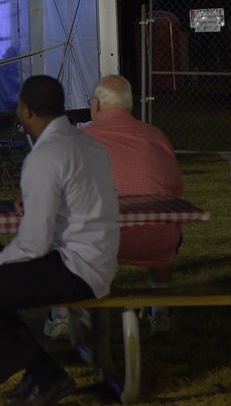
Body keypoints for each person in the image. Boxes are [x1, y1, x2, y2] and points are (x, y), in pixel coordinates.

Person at [0, 75, 119, 406]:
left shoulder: (45, 155)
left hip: (73, 267)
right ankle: (37, 372)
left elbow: (32, 245)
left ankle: (46, 375)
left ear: (27, 110)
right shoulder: (87, 142)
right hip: (96, 260)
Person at [71, 74, 185, 337]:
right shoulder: (156, 136)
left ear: (96, 105)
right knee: (164, 223)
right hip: (156, 240)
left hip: (97, 242)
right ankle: (161, 308)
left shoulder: (80, 139)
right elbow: (176, 191)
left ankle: (64, 314)